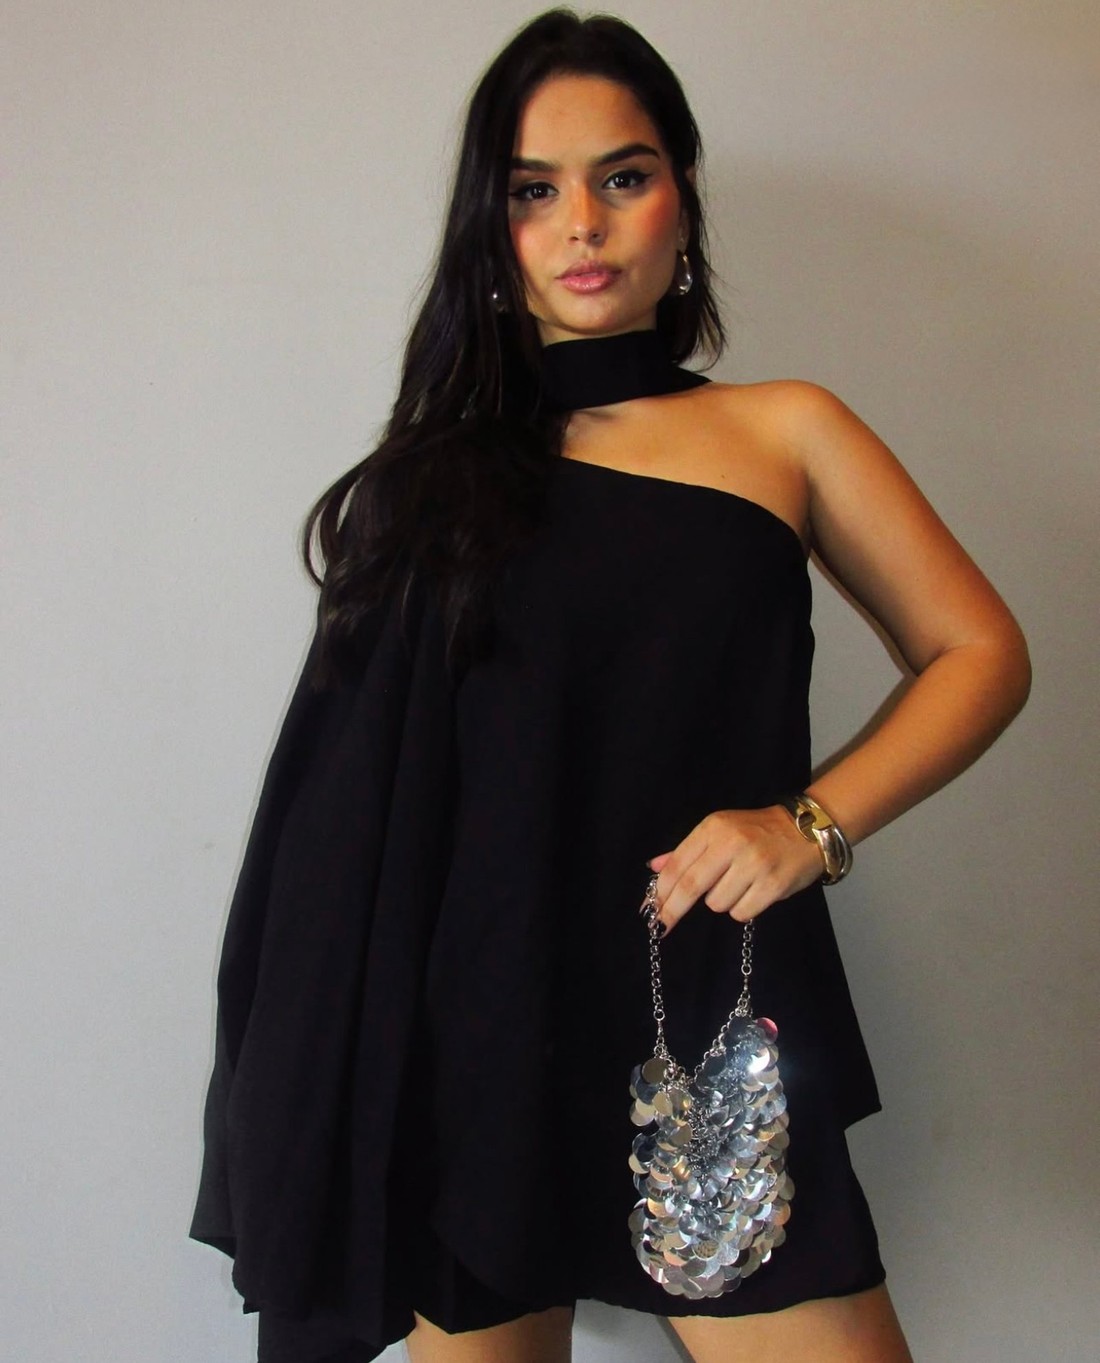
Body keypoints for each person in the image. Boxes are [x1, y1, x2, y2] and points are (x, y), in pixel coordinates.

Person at [189, 10, 1031, 1363]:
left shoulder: (785, 431)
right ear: (491, 228)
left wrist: (808, 826)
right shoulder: (432, 480)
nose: (581, 223)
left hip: (704, 1003)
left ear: (680, 198)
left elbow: (981, 652)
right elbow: (339, 825)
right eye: (533, 191)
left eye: (621, 177)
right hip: (476, 1030)